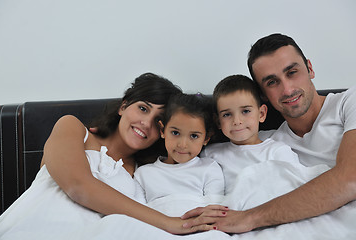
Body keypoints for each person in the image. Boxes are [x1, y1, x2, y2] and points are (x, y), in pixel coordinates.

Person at [0, 73, 217, 238]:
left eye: (157, 120)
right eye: (142, 108)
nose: (145, 123)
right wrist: (169, 223)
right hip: (30, 229)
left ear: (163, 131)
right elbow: (78, 186)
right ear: (123, 106)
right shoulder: (72, 128)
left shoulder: (145, 174)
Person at [182, 33, 356, 233]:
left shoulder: (349, 102)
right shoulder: (265, 143)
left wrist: (249, 218)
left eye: (292, 72)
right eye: (272, 82)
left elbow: (351, 178)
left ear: (310, 68)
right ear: (262, 94)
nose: (287, 89)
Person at [200, 74, 304, 195]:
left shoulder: (278, 151)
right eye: (227, 115)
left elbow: (297, 191)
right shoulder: (210, 154)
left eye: (245, 111)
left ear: (261, 114)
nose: (237, 121)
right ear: (218, 121)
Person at [134, 93, 225, 217]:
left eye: (194, 136)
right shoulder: (143, 174)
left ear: (206, 138)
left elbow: (215, 211)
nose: (182, 145)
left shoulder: (209, 168)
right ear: (162, 130)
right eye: (175, 133)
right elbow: (137, 216)